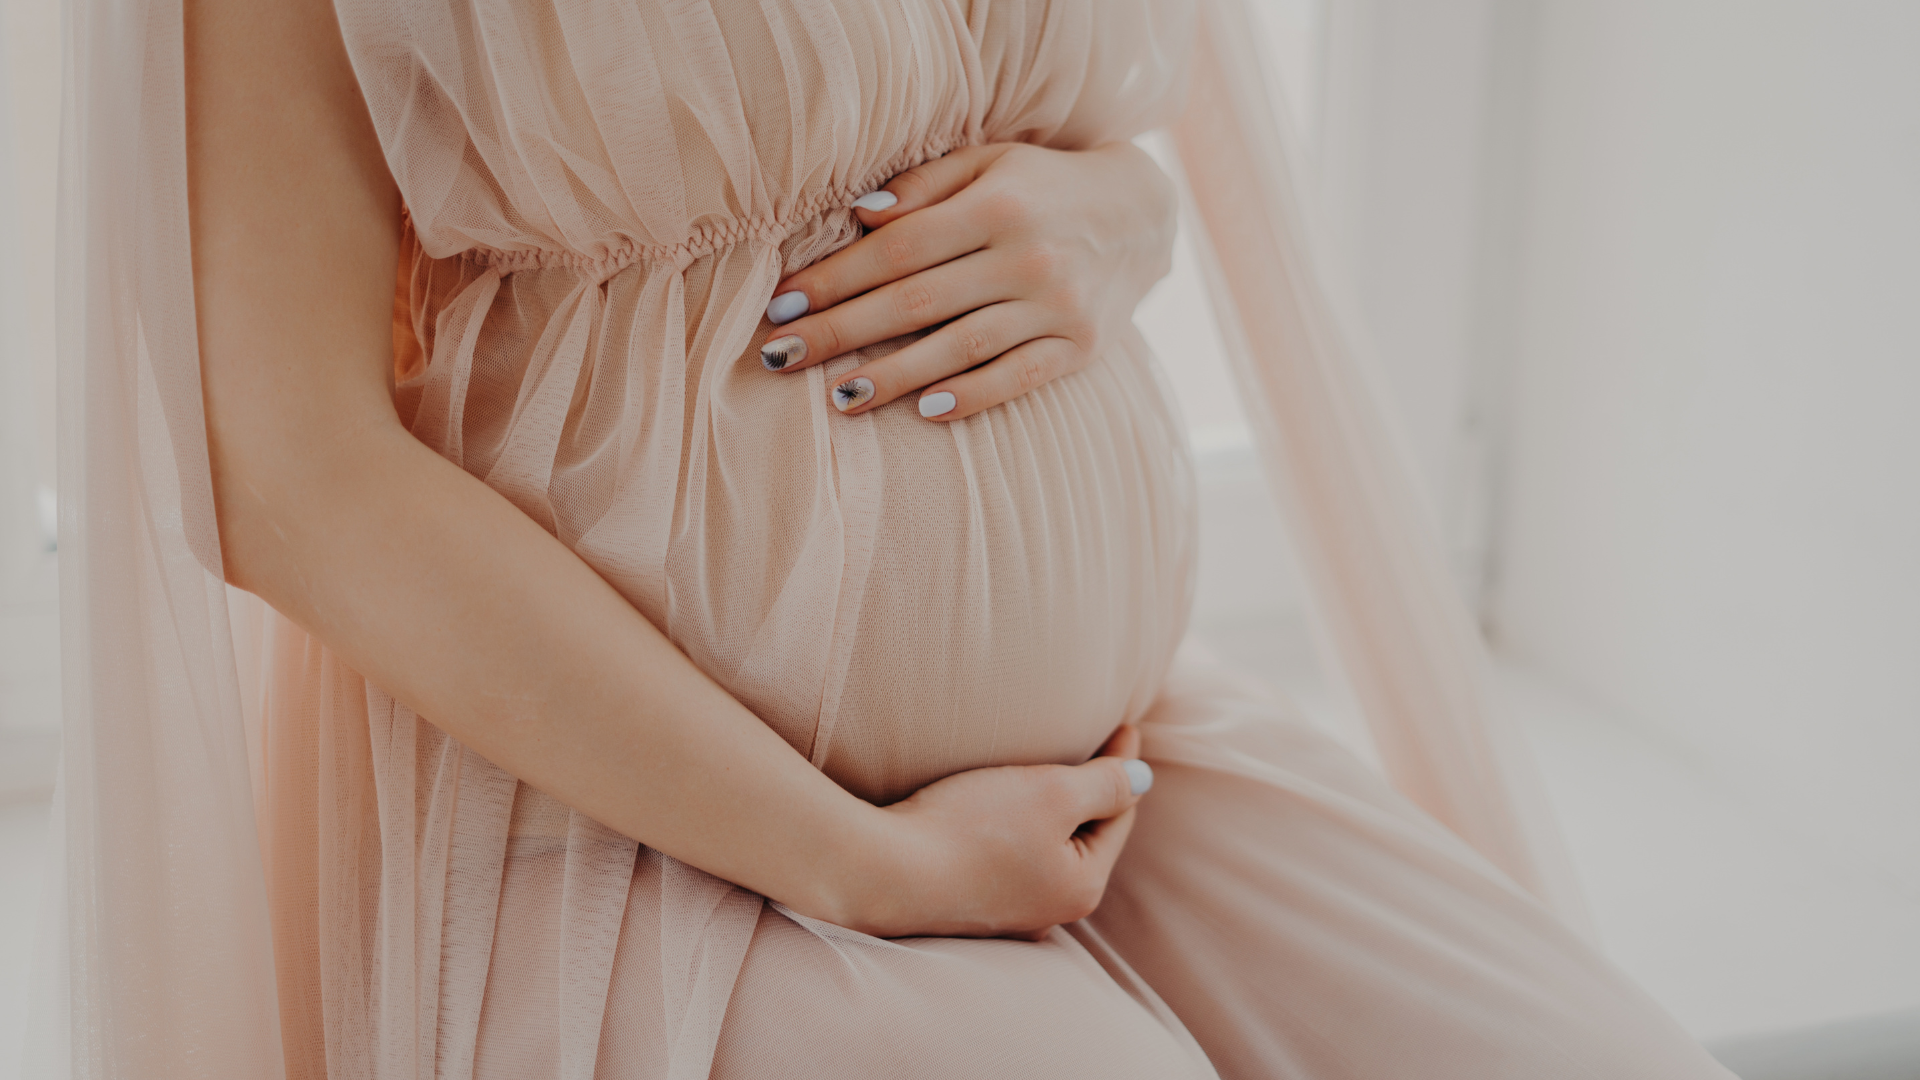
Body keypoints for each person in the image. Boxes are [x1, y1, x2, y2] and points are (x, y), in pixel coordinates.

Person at [41, 0, 1737, 1076]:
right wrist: (867, 864)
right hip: (614, 842)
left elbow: (1098, 105)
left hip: (1107, 757)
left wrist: (1114, 217)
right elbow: (285, 472)